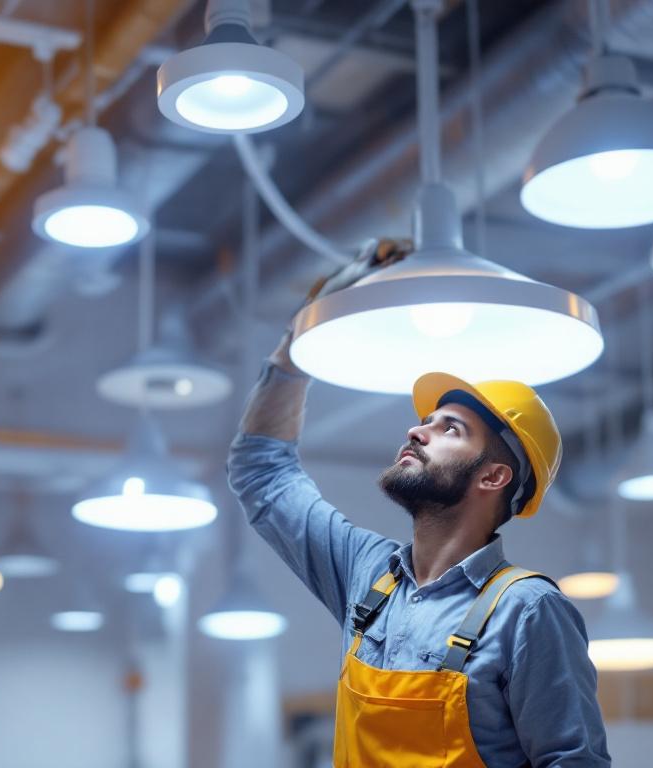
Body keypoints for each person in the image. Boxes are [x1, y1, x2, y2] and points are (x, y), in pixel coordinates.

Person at [227, 240, 611, 767]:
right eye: (425, 420)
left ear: (495, 475)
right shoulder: (367, 576)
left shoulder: (527, 610)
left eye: (449, 428)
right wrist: (296, 345)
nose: (416, 429)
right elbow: (261, 471)